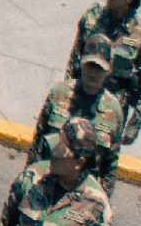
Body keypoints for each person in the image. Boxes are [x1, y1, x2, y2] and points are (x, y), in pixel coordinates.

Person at [0, 119, 112, 226]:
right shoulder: (32, 177)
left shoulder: (96, 204)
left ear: (79, 162)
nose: (54, 151)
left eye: (62, 148)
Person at [66, 0, 141, 149]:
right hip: (82, 96)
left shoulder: (138, 34)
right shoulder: (93, 15)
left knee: (100, 161)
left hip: (111, 113)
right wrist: (67, 93)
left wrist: (134, 124)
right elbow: (74, 58)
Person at [32, 40, 129, 195]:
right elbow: (38, 142)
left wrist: (103, 202)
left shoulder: (114, 111)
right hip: (47, 182)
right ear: (82, 63)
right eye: (90, 65)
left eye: (99, 68)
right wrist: (29, 180)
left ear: (108, 70)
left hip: (82, 197)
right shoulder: (59, 93)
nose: (93, 72)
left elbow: (110, 164)